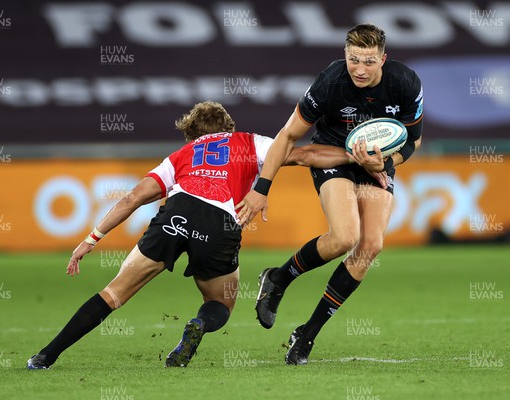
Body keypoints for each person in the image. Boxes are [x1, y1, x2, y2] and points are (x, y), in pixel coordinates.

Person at [26, 101, 361, 370]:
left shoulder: (180, 156)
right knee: (219, 303)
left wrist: (91, 239)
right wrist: (354, 156)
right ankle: (198, 324)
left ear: (191, 135)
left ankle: (45, 356)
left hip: (176, 214)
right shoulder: (247, 142)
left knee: (113, 295)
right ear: (227, 128)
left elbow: (132, 198)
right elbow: (307, 155)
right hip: (219, 224)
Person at [236, 23, 424, 365]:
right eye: (354, 59)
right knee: (344, 237)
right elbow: (288, 135)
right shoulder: (330, 82)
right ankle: (279, 278)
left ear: (384, 58)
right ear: (345, 55)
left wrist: (385, 163)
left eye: (369, 61)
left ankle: (306, 333)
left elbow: (414, 142)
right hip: (333, 154)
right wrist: (262, 188)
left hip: (377, 160)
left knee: (370, 245)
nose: (360, 69)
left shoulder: (405, 83)